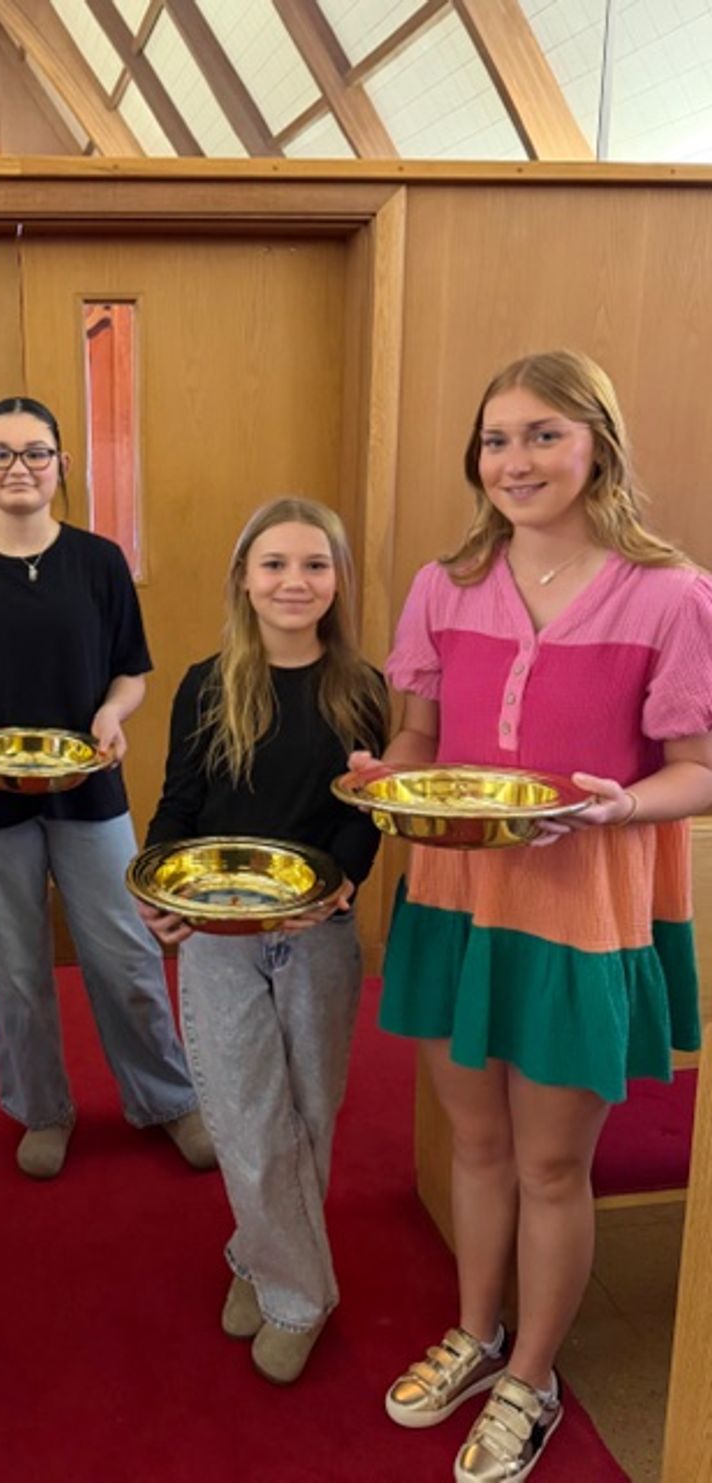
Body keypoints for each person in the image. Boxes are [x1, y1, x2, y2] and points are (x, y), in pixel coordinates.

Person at [358, 350, 712, 1481]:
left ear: (598, 445)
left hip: (580, 913)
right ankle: (478, 1331)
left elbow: (698, 768)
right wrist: (388, 775)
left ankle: (533, 1377)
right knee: (475, 1141)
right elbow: (420, 738)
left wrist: (623, 806)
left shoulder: (671, 593)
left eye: (544, 434)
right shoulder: (444, 583)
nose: (515, 460)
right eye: (497, 439)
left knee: (554, 1165)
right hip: (457, 899)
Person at [0, 395, 212, 1181]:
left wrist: (112, 714)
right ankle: (41, 1108)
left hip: (87, 787)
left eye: (35, 452)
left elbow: (131, 671)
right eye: (0, 453)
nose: (19, 467)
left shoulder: (99, 562)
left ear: (61, 465)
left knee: (126, 953)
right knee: (16, 964)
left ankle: (167, 1095)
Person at [136, 497, 388, 1385]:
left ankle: (259, 1251)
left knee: (307, 1113)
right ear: (244, 578)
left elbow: (365, 813)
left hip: (319, 933)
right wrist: (155, 886)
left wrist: (346, 875)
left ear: (338, 581)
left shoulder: (364, 688)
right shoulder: (208, 684)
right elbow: (178, 804)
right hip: (220, 933)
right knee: (244, 1114)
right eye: (274, 563)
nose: (294, 581)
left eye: (314, 564)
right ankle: (300, 1295)